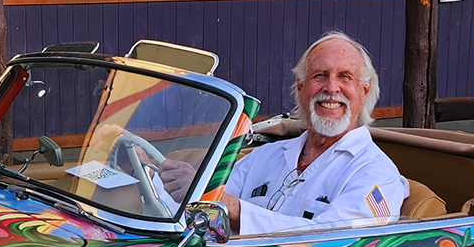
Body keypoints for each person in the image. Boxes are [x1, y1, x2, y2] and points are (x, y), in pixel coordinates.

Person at [161, 32, 408, 235]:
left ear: (365, 90)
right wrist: (147, 170)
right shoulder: (266, 155)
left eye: (345, 77)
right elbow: (204, 202)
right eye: (320, 76)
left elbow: (334, 245)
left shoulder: (376, 173)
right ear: (301, 87)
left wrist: (234, 210)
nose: (331, 88)